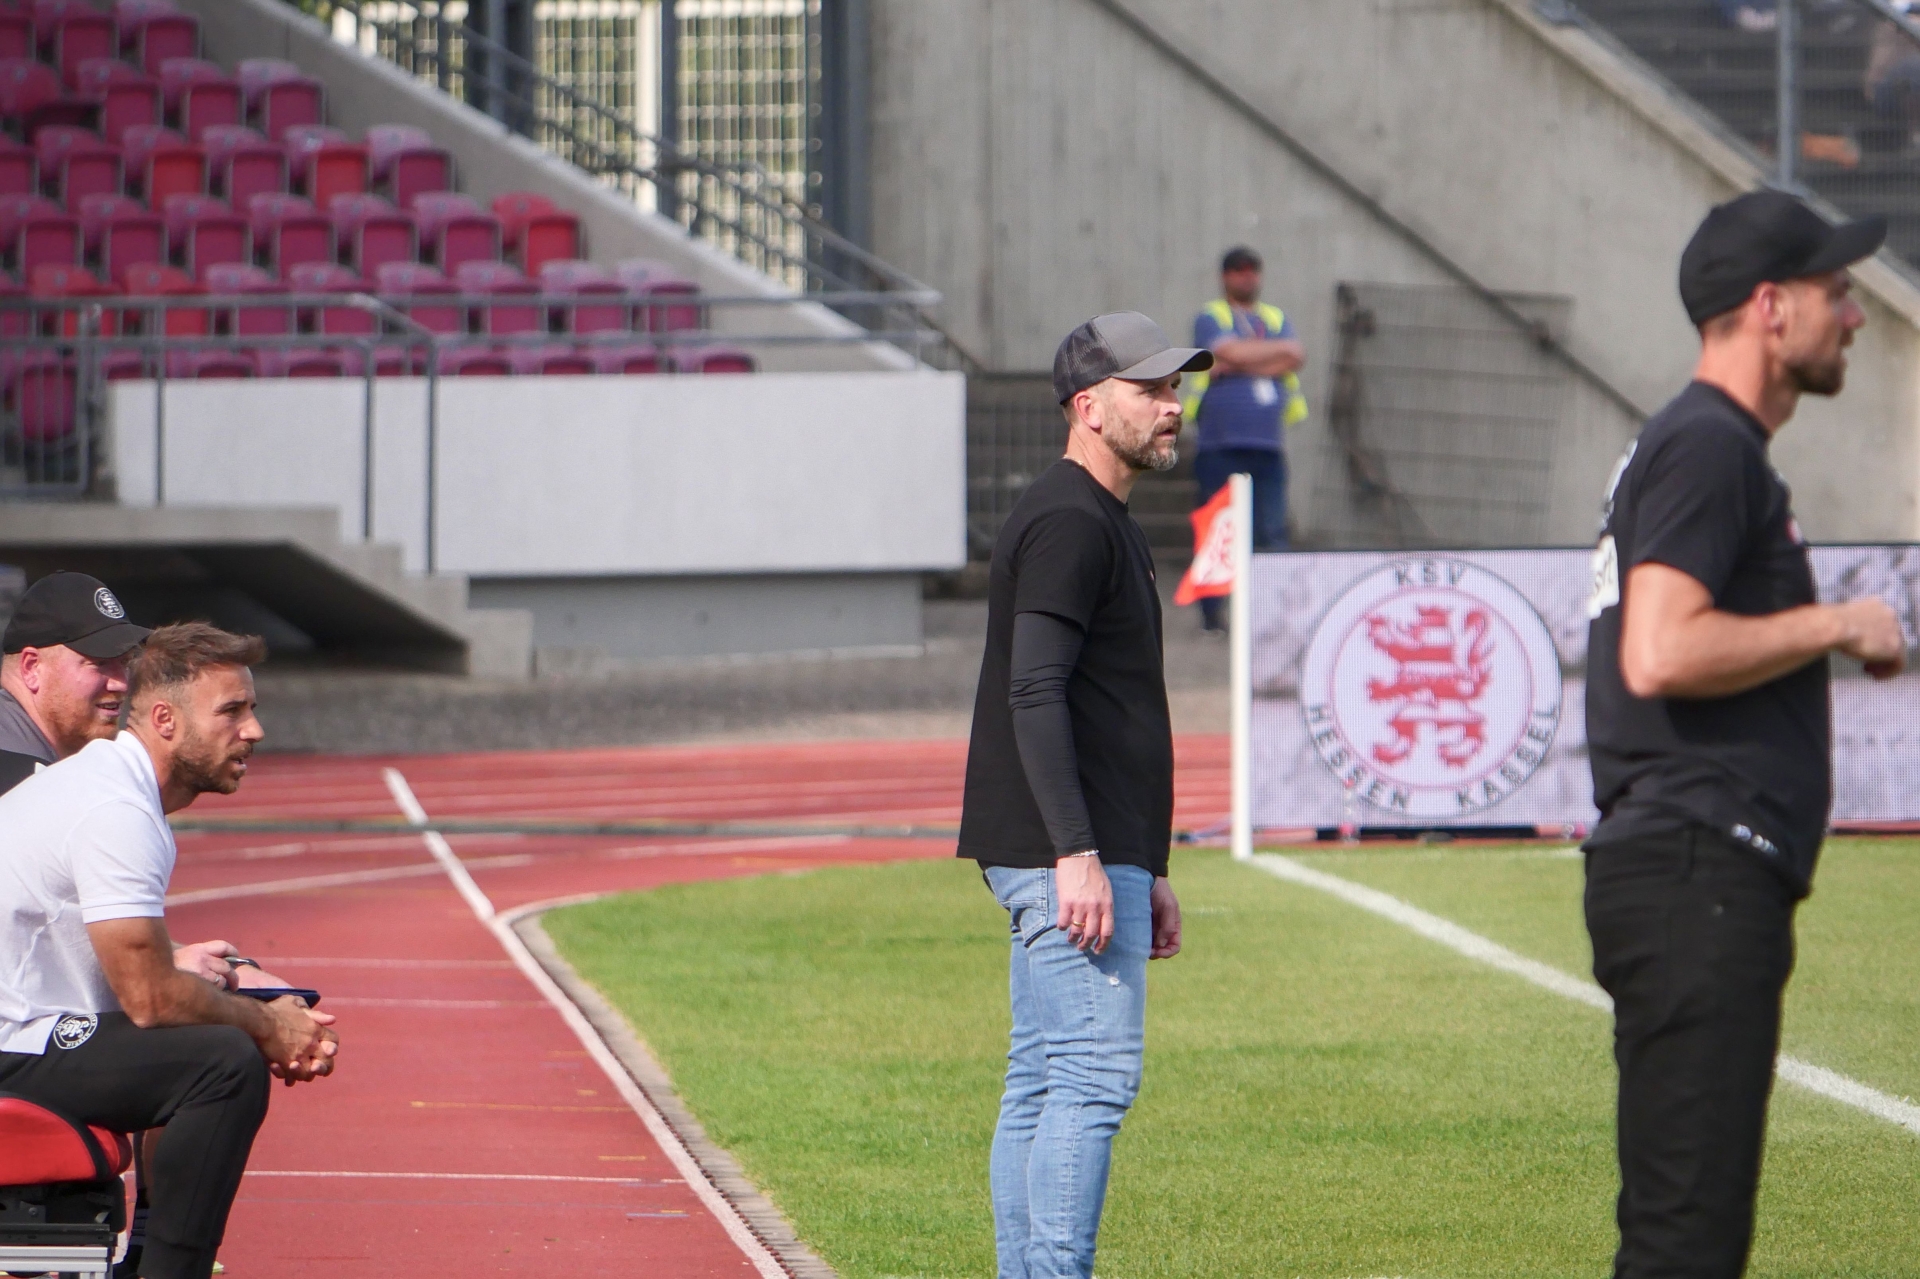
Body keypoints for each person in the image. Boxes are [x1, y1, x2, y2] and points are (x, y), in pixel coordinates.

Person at [1584, 190, 1906, 1279]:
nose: (1853, 316)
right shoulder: (1707, 445)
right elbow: (1660, 650)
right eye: (1836, 291)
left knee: (1681, 1236)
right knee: (1687, 1245)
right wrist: (1839, 623)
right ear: (1771, 307)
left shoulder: (1699, 444)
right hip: (1697, 868)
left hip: (1691, 871)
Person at [959, 311, 1200, 1279]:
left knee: (1042, 1078)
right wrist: (1079, 851)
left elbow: (1115, 706)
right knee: (1093, 1076)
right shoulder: (1069, 518)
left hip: (1089, 842)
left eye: (1175, 387)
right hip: (1063, 847)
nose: (1172, 405)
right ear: (1089, 407)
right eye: (1151, 389)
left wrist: (1150, 861)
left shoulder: (1101, 516)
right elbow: (1035, 689)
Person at [0, 621, 340, 1279]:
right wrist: (268, 1025)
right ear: (166, 720)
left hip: (26, 1029)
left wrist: (236, 980)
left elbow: (130, 957)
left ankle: (149, 1254)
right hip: (13, 1044)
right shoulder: (115, 808)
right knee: (222, 1063)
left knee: (205, 1030)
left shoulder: (112, 787)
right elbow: (151, 997)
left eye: (252, 709)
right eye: (231, 711)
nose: (254, 730)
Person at [1183, 246, 1307, 632]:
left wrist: (1237, 363)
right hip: (1220, 444)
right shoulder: (1211, 316)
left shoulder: (1275, 317)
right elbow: (1224, 349)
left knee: (1272, 531)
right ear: (1225, 277)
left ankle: (1274, 614)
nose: (1246, 276)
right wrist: (1265, 356)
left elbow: (1295, 354)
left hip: (1267, 444)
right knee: (1217, 530)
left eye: (1252, 269)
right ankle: (1212, 616)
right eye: (1238, 270)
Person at [1, 570, 150, 764]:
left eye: (125, 662)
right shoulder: (12, 766)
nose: (121, 683)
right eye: (100, 663)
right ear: (32, 667)